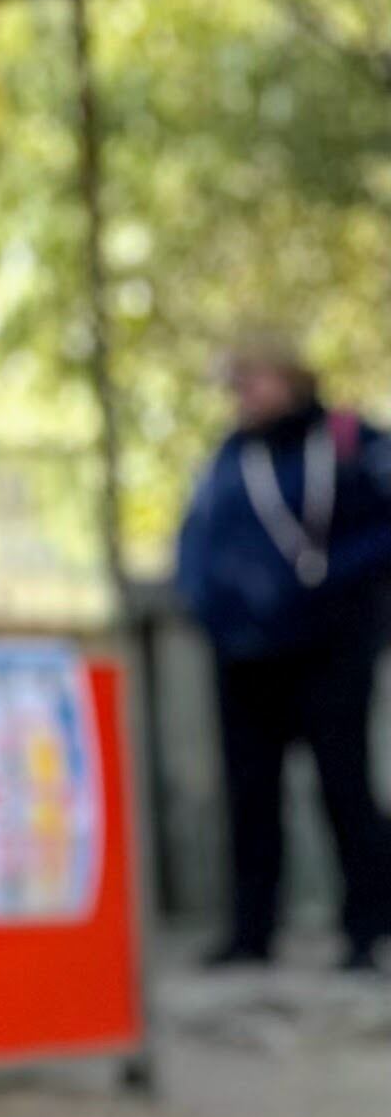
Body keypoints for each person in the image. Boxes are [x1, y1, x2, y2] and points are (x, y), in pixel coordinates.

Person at [174, 336, 391, 969]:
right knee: (250, 796)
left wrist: (327, 577)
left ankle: (368, 931)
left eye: (254, 380)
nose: (244, 396)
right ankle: (251, 934)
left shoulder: (350, 443)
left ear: (290, 380)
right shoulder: (229, 458)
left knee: (343, 788)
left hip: (331, 646)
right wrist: (207, 605)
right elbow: (197, 540)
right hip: (245, 652)